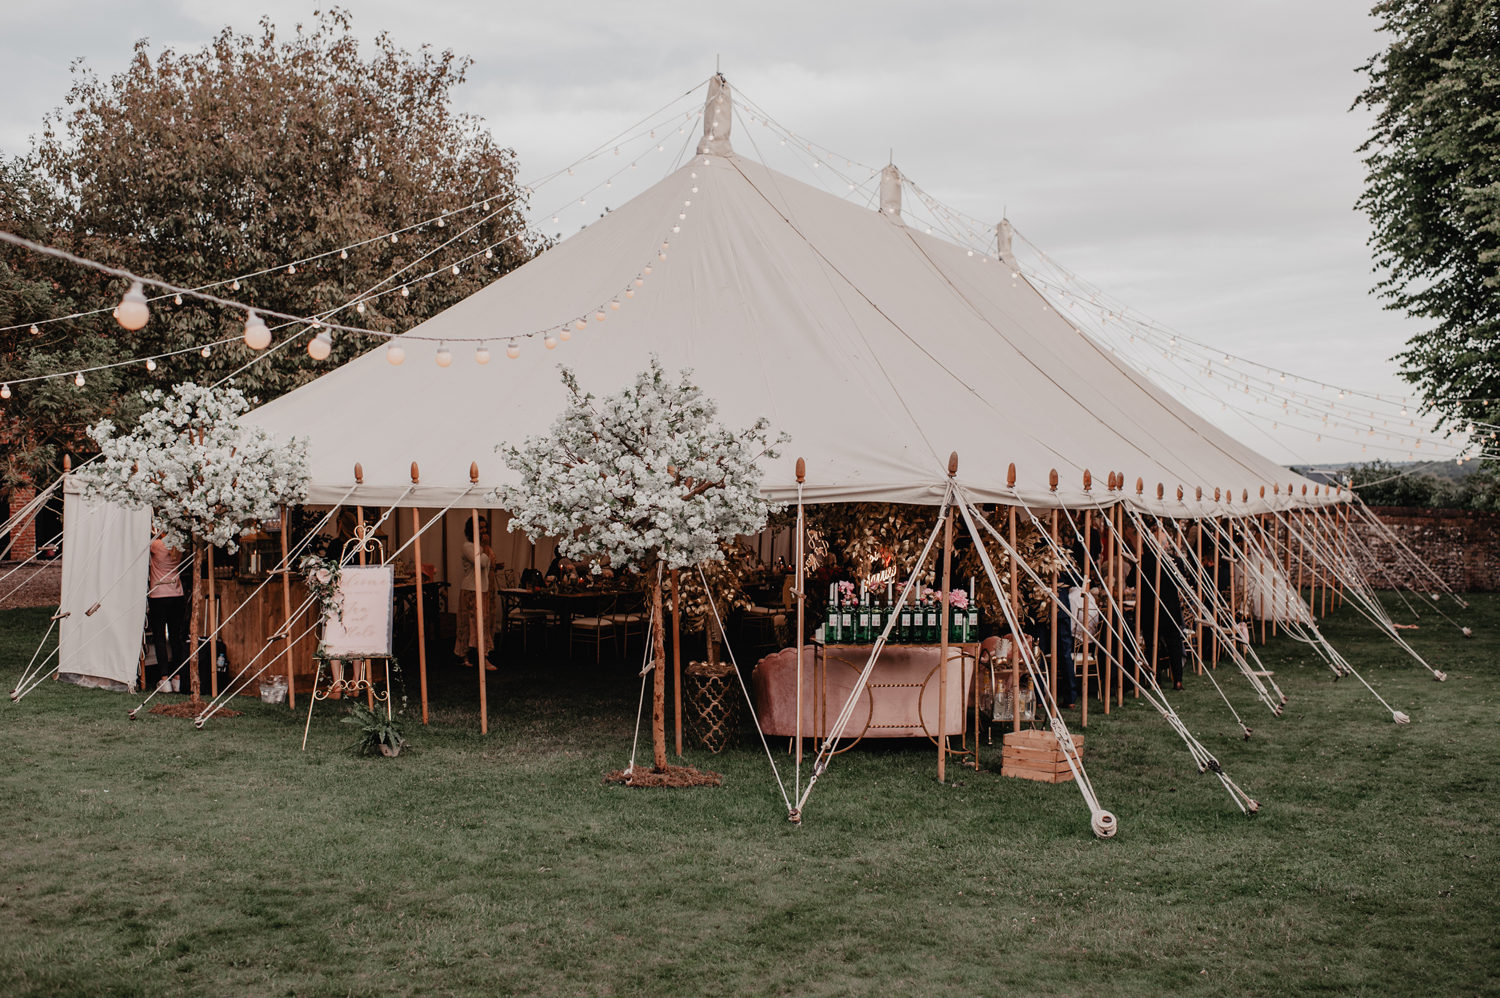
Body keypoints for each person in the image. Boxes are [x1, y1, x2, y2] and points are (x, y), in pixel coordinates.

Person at [146, 531, 187, 691]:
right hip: (177, 594)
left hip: (159, 594)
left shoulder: (157, 545)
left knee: (160, 637)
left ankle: (164, 678)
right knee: (176, 637)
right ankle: (177, 677)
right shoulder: (179, 547)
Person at [454, 518, 495, 670]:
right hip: (471, 589)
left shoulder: (481, 547)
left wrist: (485, 548)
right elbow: (482, 562)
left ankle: (480, 655)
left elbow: (492, 561)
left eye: (485, 528)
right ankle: (465, 656)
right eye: (480, 528)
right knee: (468, 624)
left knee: (482, 624)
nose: (483, 531)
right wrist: (484, 547)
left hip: (483, 589)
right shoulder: (468, 546)